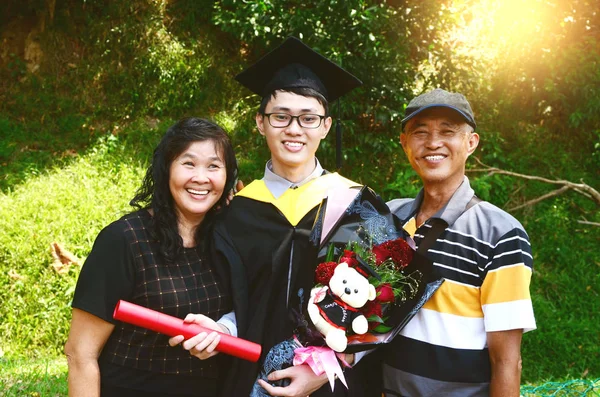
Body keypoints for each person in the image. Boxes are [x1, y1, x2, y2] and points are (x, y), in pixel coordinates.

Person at [209, 37, 365, 397]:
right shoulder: (235, 211)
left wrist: (323, 370)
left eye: (308, 118)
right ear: (261, 123)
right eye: (281, 116)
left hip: (332, 384)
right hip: (249, 379)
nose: (294, 129)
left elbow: (377, 308)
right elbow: (223, 299)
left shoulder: (354, 204)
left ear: (325, 126)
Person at [64, 117, 239, 397]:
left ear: (227, 176)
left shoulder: (230, 240)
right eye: (188, 163)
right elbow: (80, 354)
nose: (201, 177)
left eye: (214, 166)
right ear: (166, 169)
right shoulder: (124, 240)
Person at [382, 88, 537, 396]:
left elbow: (506, 361)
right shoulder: (387, 218)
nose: (433, 143)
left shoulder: (501, 233)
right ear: (404, 143)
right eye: (420, 132)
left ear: (470, 143)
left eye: (447, 132)